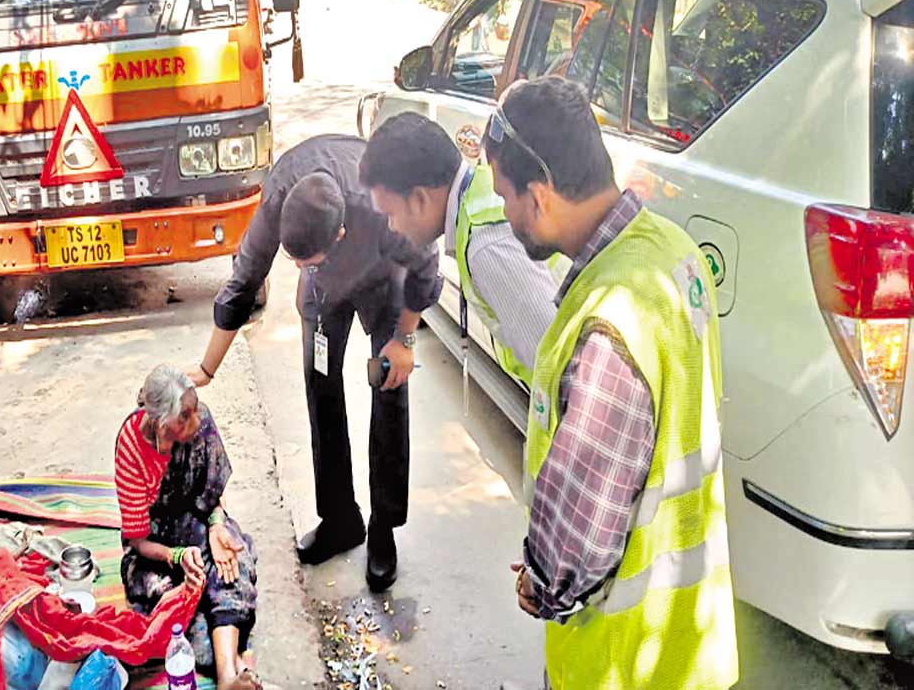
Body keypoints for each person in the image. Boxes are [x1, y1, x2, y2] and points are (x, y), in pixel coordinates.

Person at [483, 77, 741, 688]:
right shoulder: (672, 249)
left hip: (623, 662)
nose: (503, 213)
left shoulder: (608, 322)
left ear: (540, 195)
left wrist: (542, 581)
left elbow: (579, 534)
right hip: (691, 641)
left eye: (505, 196)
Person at [187, 135, 442, 592]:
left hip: (384, 280)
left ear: (339, 235)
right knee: (320, 387)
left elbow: (425, 266)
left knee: (387, 389)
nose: (301, 267)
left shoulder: (380, 208)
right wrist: (207, 369)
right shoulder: (279, 200)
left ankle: (383, 528)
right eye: (295, 261)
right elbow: (244, 281)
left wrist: (403, 340)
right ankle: (341, 519)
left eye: (309, 260)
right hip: (326, 296)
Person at [361, 112, 557, 387]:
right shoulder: (478, 198)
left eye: (391, 213)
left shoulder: (486, 247)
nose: (392, 226)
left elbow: (558, 367)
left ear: (418, 199)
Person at [116, 366, 264, 690]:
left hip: (197, 521)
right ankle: (237, 663)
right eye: (184, 416)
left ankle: (226, 678)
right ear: (159, 422)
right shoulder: (131, 446)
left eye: (194, 410)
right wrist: (178, 555)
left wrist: (214, 527)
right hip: (156, 544)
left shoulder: (202, 423)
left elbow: (212, 496)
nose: (195, 421)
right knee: (174, 600)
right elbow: (137, 539)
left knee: (230, 565)